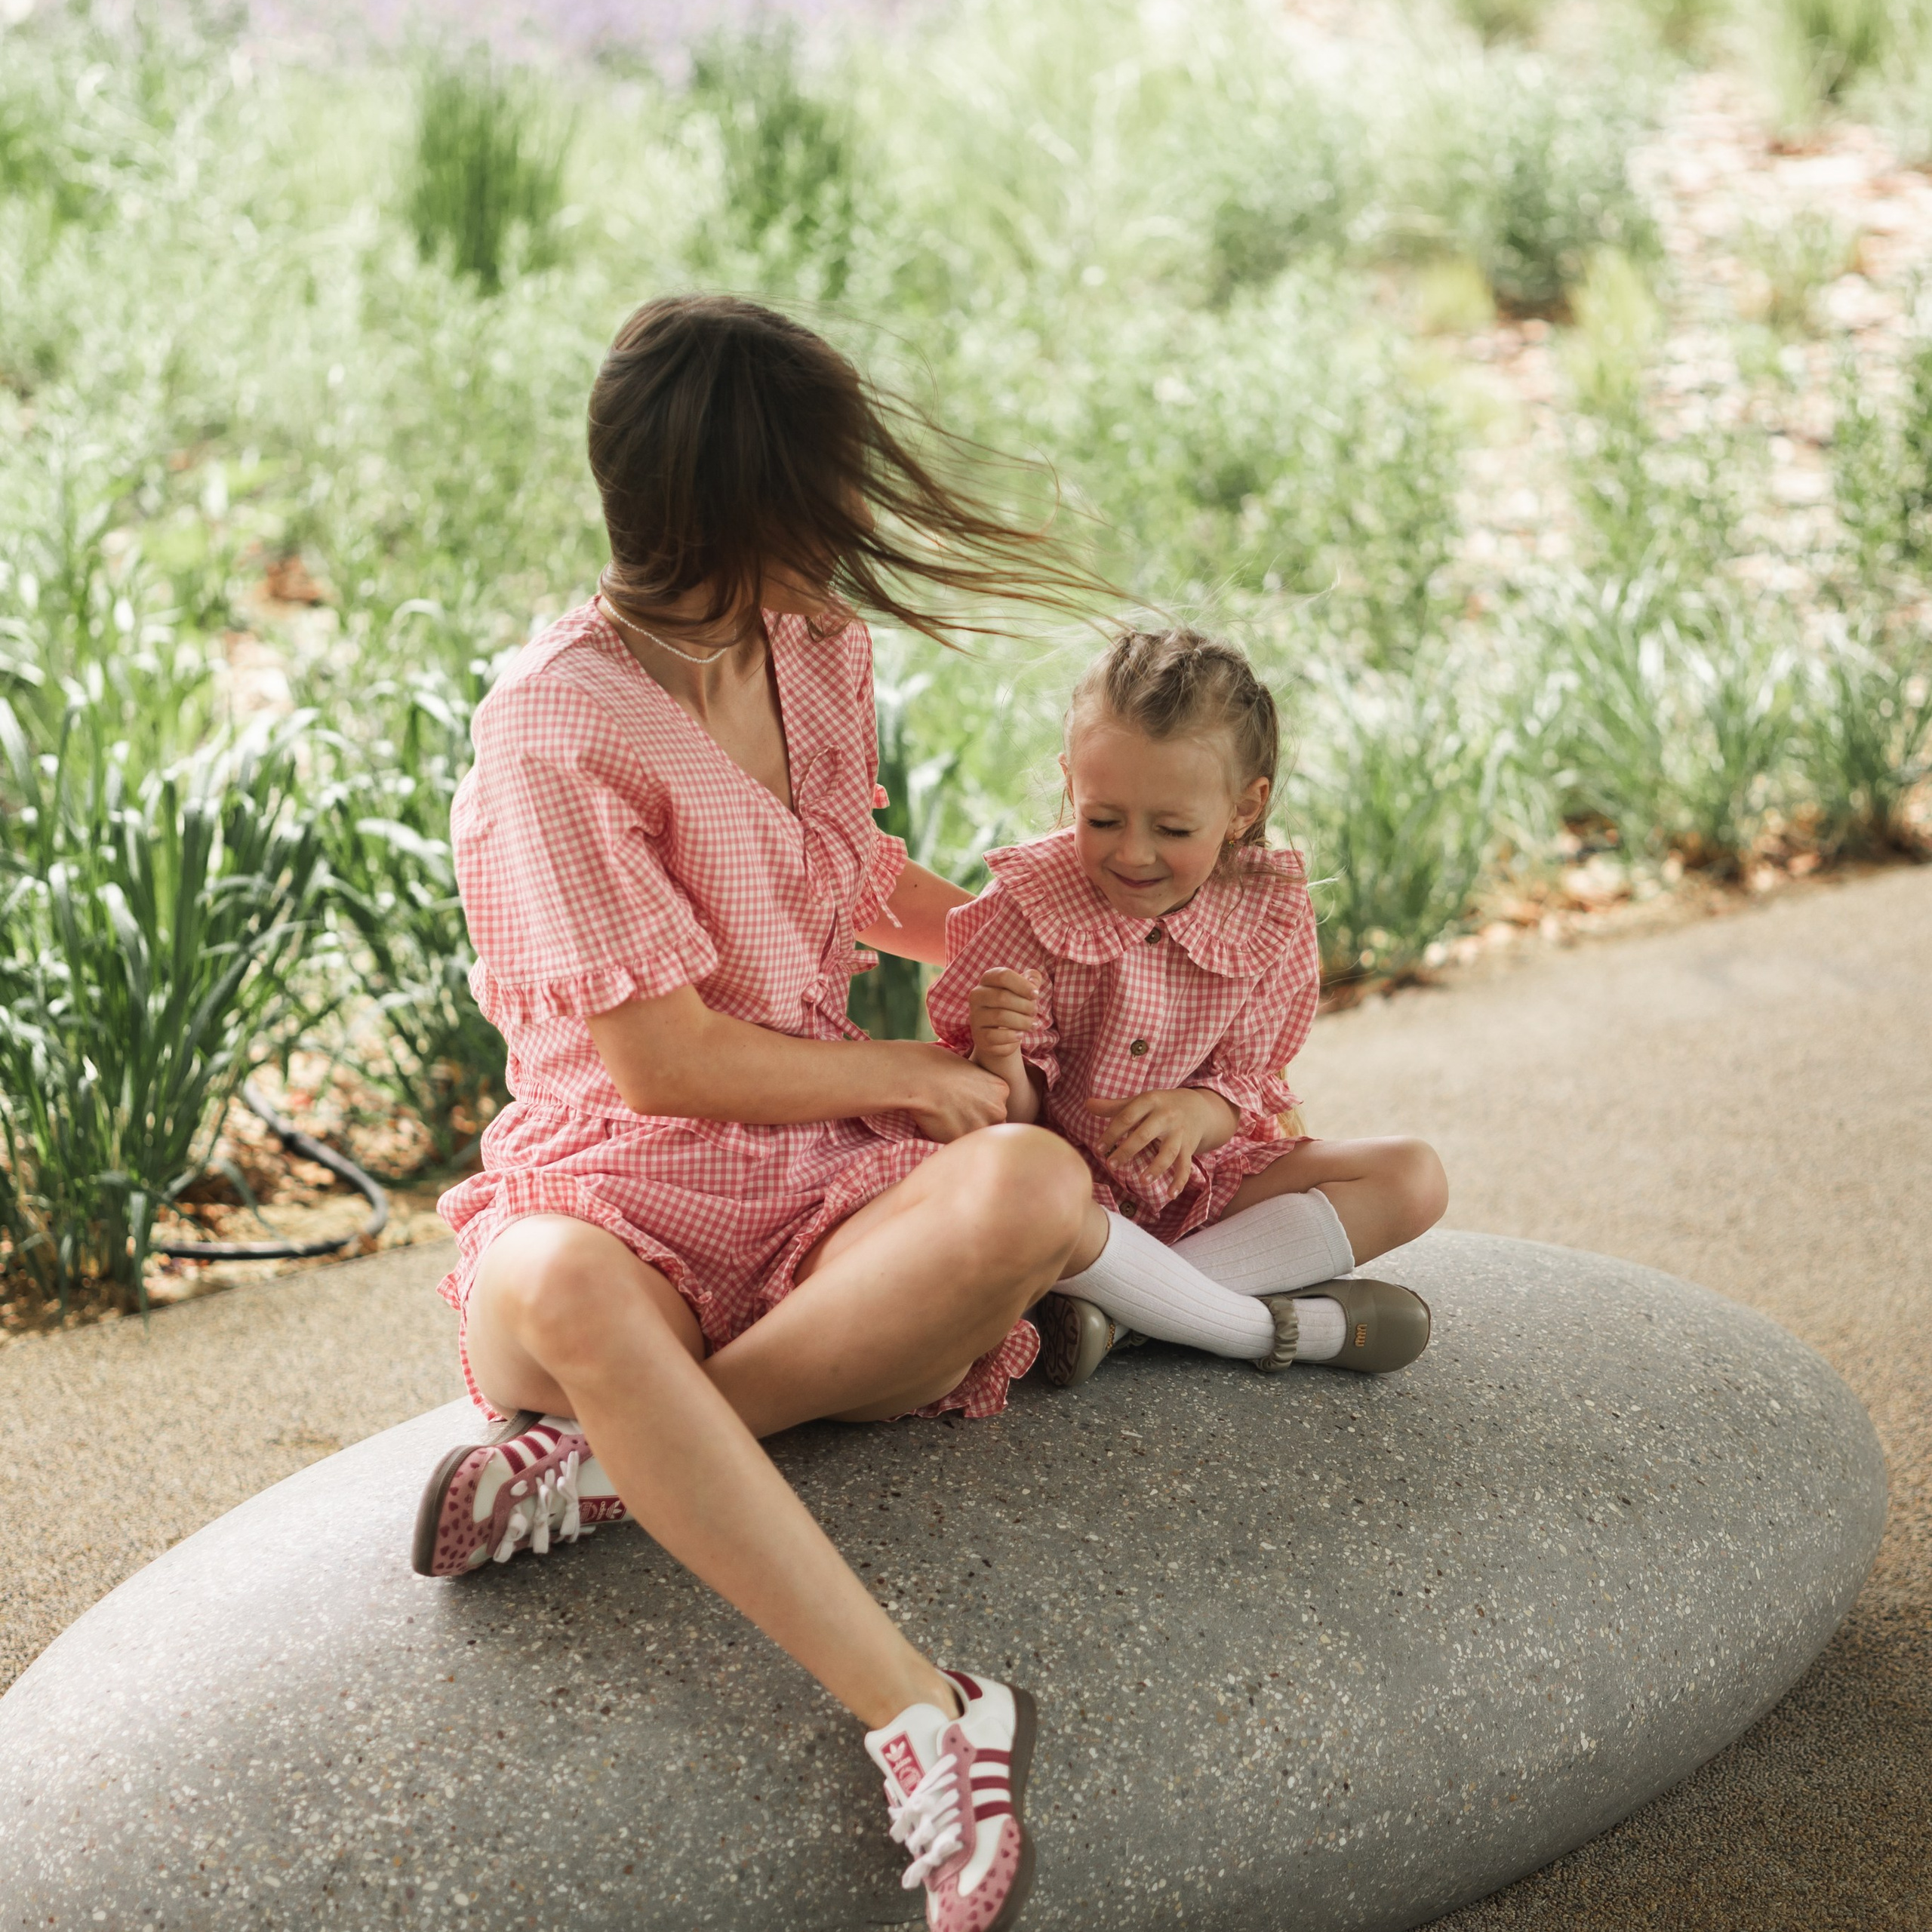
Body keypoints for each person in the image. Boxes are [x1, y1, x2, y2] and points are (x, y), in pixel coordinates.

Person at [411, 294, 1110, 1932]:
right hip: (611, 1195)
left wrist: (1011, 945)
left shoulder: (811, 648)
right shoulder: (553, 726)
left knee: (1030, 1186)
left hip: (812, 1200)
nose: (858, 518)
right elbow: (662, 1063)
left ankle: (624, 1461)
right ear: (739, 508)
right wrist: (910, 1069)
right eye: (830, 486)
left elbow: (841, 871)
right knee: (562, 1286)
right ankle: (926, 1713)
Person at [926, 628, 1449, 1388]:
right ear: (1071, 782)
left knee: (1413, 1176)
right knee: (1031, 1209)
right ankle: (1253, 1328)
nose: (1132, 853)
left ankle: (1119, 1313)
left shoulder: (1267, 911)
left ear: (1243, 807)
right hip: (1067, 1203)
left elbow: (1247, 1086)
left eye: (1172, 829)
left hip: (1205, 1187)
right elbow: (1009, 1123)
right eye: (1102, 820)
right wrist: (999, 1052)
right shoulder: (1027, 904)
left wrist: (1197, 1115)